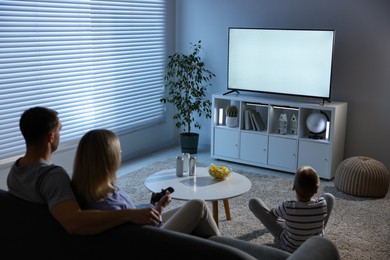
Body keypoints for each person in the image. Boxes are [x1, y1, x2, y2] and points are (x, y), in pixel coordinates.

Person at [6, 107, 181, 235]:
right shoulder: (53, 177)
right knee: (198, 209)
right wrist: (128, 214)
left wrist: (147, 208)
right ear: (51, 137)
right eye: (59, 130)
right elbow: (74, 222)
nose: (60, 134)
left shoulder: (16, 171)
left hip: (31, 239)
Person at [71, 129, 220, 238]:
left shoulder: (90, 192)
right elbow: (135, 230)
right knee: (198, 206)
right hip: (150, 243)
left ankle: (219, 247)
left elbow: (133, 219)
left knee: (197, 211)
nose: (121, 154)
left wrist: (158, 207)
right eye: (118, 152)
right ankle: (225, 250)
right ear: (109, 160)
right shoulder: (108, 204)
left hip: (149, 230)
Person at [248, 165, 335, 253]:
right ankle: (310, 227)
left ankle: (295, 223)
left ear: (293, 187)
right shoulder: (322, 204)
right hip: (313, 247)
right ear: (316, 190)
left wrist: (275, 211)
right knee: (329, 197)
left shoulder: (288, 206)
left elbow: (273, 213)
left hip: (289, 248)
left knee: (253, 202)